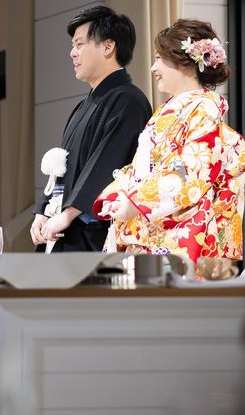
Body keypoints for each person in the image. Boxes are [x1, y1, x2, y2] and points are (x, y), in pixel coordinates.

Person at [94, 19, 245, 263]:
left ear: (184, 60)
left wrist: (137, 202)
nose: (153, 67)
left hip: (176, 229)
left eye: (159, 58)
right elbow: (142, 166)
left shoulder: (204, 108)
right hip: (149, 223)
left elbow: (192, 169)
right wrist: (121, 193)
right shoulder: (169, 109)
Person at [30, 6, 152, 252]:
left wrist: (68, 214)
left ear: (108, 46)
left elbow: (106, 164)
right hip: (64, 227)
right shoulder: (84, 105)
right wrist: (43, 210)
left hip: (94, 234)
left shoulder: (129, 100)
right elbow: (63, 166)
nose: (72, 53)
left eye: (79, 44)